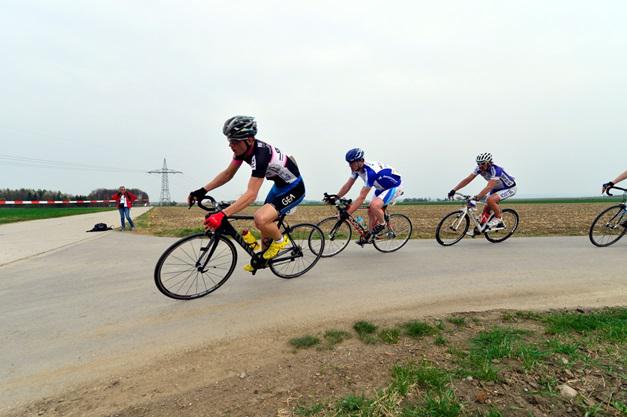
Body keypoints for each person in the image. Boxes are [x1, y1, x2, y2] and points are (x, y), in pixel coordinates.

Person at [188, 115, 305, 272]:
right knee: (263, 227)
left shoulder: (260, 155)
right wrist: (202, 190)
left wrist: (223, 214)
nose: (231, 145)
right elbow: (228, 174)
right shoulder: (243, 150)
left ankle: (280, 241)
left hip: (294, 188)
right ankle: (263, 259)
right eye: (229, 141)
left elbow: (251, 194)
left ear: (249, 140)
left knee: (260, 218)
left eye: (234, 142)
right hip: (279, 186)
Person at [332, 148, 403, 244]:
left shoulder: (370, 173)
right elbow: (348, 185)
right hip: (381, 187)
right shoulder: (357, 169)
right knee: (370, 211)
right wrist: (336, 197)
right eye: (349, 163)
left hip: (394, 186)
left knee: (374, 206)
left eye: (351, 163)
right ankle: (370, 236)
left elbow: (362, 197)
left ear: (360, 161)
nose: (350, 165)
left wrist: (347, 213)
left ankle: (382, 224)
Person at [448, 153, 516, 231]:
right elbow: (468, 179)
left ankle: (498, 219)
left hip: (509, 188)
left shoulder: (496, 170)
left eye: (483, 163)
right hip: (496, 188)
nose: (480, 166)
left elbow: (489, 187)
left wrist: (478, 197)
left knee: (490, 200)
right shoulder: (478, 169)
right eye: (478, 164)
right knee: (487, 206)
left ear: (489, 163)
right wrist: (454, 190)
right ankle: (482, 226)